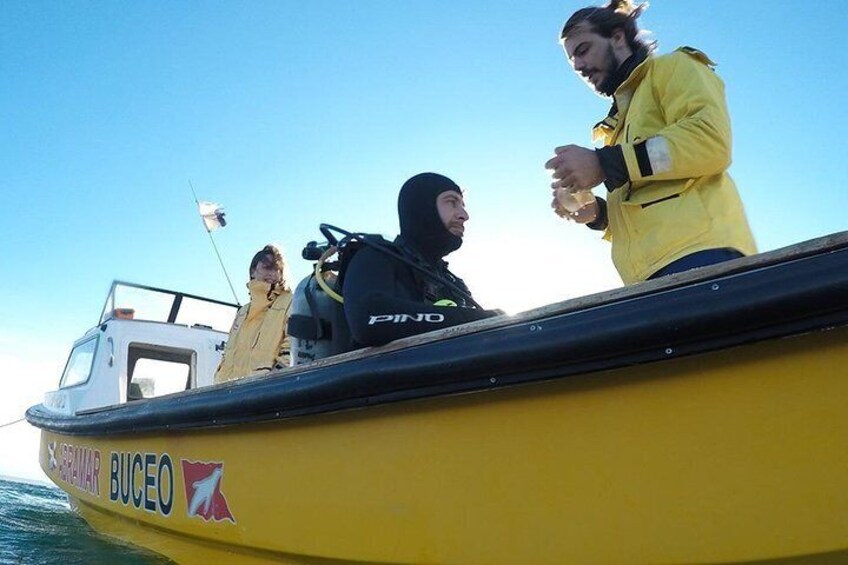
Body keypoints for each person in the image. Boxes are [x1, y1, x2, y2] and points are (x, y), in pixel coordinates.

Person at [545, 0, 757, 284]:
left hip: (701, 256)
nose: (580, 66)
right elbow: (650, 204)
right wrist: (599, 214)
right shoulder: (617, 127)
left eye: (583, 50)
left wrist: (604, 163)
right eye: (574, 63)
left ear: (618, 37)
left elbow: (709, 140)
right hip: (645, 278)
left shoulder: (672, 67)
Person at [342, 172, 500, 347]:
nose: (464, 215)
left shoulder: (452, 283)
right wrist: (481, 319)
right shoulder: (375, 257)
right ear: (422, 207)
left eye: (462, 205)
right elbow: (368, 320)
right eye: (452, 203)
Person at [214, 244, 293, 384]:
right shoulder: (242, 312)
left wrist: (274, 379)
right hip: (228, 390)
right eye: (267, 268)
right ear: (253, 271)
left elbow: (292, 346)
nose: (273, 273)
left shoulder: (289, 302)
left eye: (277, 269)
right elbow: (229, 352)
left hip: (264, 392)